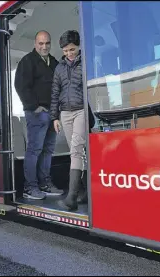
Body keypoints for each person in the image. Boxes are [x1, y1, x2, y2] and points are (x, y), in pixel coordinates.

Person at [14, 30, 64, 200]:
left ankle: (45, 184)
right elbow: (20, 85)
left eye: (47, 43)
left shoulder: (54, 62)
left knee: (48, 150)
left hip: (52, 113)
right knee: (34, 149)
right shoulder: (28, 61)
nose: (44, 46)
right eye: (41, 43)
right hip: (37, 113)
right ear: (35, 44)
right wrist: (34, 107)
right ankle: (30, 187)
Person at [51, 30, 89, 211]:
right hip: (65, 114)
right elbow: (55, 93)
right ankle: (82, 192)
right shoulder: (59, 68)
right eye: (66, 51)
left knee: (76, 151)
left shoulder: (86, 63)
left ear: (78, 46)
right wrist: (54, 117)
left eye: (72, 49)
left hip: (81, 111)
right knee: (74, 151)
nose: (69, 53)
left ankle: (71, 198)